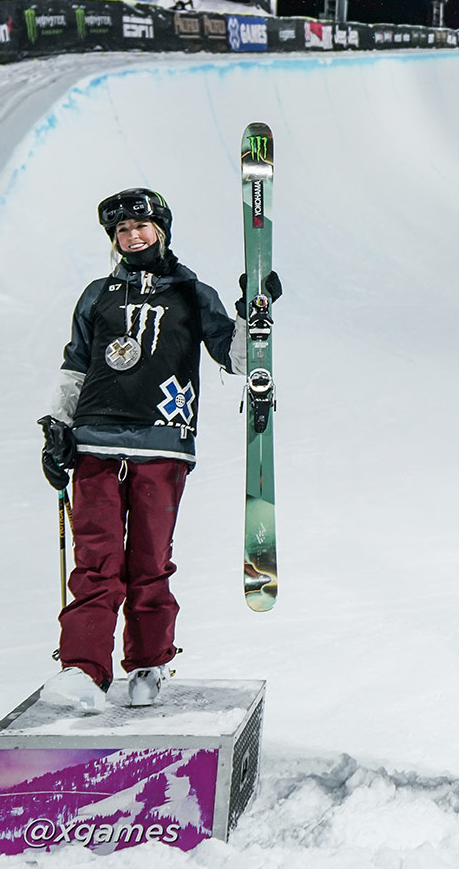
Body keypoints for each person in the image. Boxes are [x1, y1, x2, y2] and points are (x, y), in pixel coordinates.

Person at [34, 188, 279, 712]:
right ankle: (82, 669)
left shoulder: (192, 292)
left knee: (149, 558)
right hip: (95, 440)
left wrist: (253, 314)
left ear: (161, 230)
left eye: (141, 227)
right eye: (122, 231)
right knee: (96, 561)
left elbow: (238, 359)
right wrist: (57, 426)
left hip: (163, 440)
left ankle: (150, 660)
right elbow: (76, 364)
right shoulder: (98, 293)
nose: (132, 237)